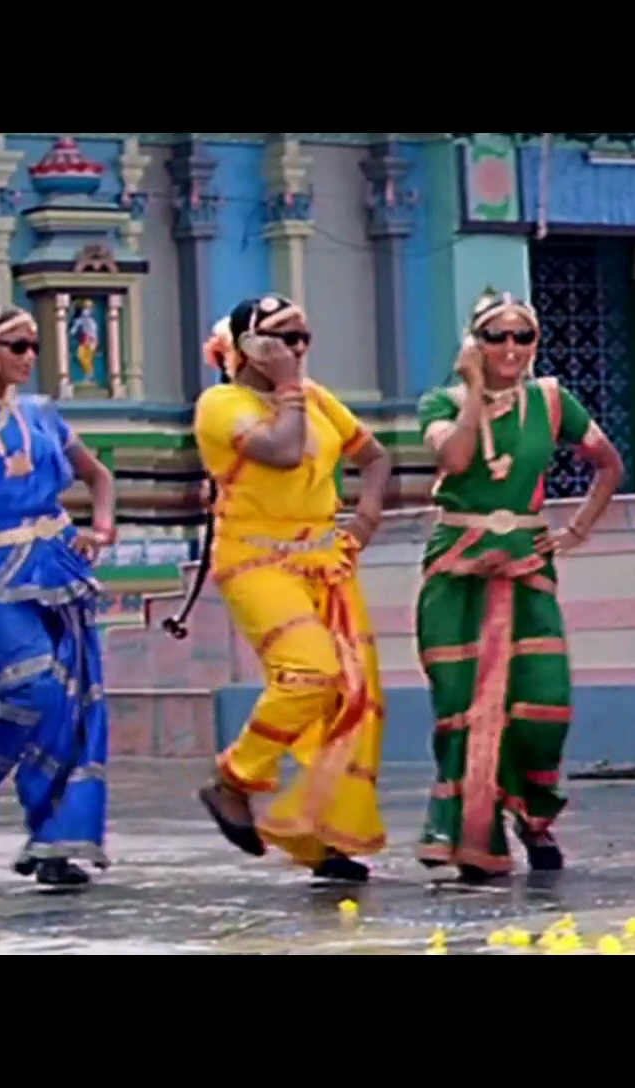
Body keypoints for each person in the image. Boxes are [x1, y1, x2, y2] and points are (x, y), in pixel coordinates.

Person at [413, 290, 623, 882]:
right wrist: (475, 391)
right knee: (463, 706)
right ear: (474, 343)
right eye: (496, 337)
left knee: (542, 703)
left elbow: (608, 464)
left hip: (528, 567)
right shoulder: (442, 402)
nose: (510, 348)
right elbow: (456, 460)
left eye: (522, 336)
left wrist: (575, 529)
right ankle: (472, 835)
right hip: (457, 570)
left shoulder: (552, 401)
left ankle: (535, 816)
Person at [191, 294, 393, 883]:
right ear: (248, 345)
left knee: (351, 694)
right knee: (309, 673)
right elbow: (282, 452)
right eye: (284, 337)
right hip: (256, 559)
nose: (298, 349)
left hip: (326, 559)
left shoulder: (316, 397)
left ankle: (318, 836)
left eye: (303, 337)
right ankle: (233, 778)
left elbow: (374, 457)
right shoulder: (220, 404)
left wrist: (366, 518)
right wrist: (287, 387)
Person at [0, 298, 117, 888]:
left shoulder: (42, 411)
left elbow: (98, 475)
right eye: (16, 346)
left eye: (33, 345)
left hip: (57, 562)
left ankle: (53, 839)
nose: (29, 357)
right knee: (35, 688)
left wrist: (101, 528)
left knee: (70, 701)